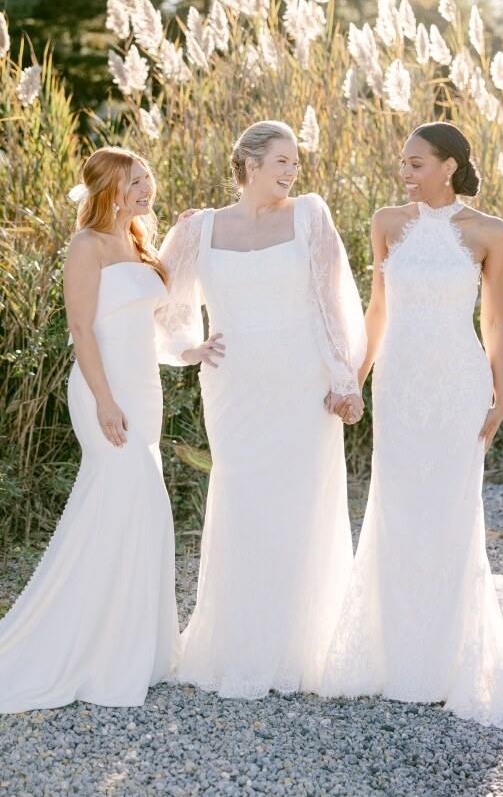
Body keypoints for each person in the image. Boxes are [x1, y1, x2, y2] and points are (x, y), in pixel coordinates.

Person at [322, 122, 503, 727]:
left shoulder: (490, 231)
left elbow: (494, 317)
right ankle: (394, 659)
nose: (404, 172)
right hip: (401, 384)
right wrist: (355, 376)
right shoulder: (386, 223)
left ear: (449, 166)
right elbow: (378, 309)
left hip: (459, 384)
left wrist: (501, 392)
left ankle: (447, 662)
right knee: (397, 509)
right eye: (401, 162)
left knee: (452, 513)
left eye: (415, 163)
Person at [156, 120, 366, 698]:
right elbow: (157, 297)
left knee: (301, 506)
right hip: (233, 389)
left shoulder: (310, 215)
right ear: (249, 162)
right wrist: (186, 347)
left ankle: (301, 650)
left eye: (295, 161)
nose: (292, 171)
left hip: (301, 386)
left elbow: (331, 304)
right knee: (244, 500)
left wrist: (343, 377)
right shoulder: (199, 228)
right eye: (282, 160)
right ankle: (240, 644)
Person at [0, 147, 180, 712]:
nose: (147, 189)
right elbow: (82, 328)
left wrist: (191, 350)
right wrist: (105, 400)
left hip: (143, 390)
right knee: (124, 499)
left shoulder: (139, 243)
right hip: (104, 391)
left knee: (139, 511)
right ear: (108, 188)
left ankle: (127, 644)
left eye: (148, 178)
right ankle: (83, 649)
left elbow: (145, 330)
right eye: (135, 182)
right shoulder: (87, 246)